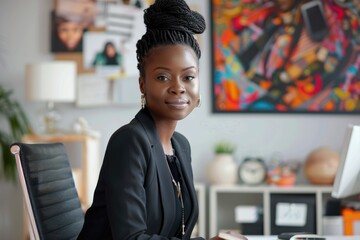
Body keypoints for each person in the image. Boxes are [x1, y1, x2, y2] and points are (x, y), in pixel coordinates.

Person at [77, 0, 220, 239]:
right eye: (163, 77)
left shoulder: (181, 146)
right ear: (142, 83)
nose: (178, 88)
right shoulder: (130, 141)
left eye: (188, 77)